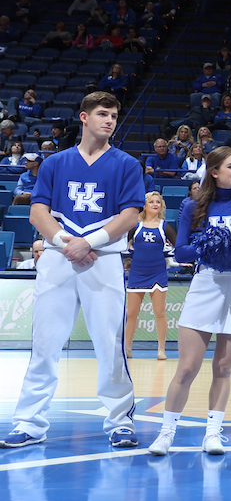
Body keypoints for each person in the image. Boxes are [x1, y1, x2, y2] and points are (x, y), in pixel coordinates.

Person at [1, 92, 145, 451]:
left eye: (113, 114)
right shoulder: (55, 163)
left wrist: (90, 241)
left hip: (104, 260)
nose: (109, 120)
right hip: (58, 258)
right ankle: (29, 423)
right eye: (101, 113)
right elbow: (37, 213)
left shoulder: (126, 163)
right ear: (83, 117)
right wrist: (69, 244)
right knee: (44, 345)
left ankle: (119, 422)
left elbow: (131, 214)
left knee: (110, 345)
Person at [147, 146, 231, 456]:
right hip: (205, 284)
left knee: (224, 367)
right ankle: (166, 433)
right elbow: (180, 253)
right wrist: (207, 244)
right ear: (214, 171)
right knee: (188, 368)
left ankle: (213, 433)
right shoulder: (193, 207)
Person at [124, 191, 180, 361]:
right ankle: (127, 348)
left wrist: (174, 259)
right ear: (145, 205)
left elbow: (178, 246)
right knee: (131, 313)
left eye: (158, 202)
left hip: (157, 272)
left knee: (160, 312)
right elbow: (124, 243)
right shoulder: (136, 225)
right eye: (151, 202)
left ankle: (161, 349)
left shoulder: (165, 226)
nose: (155, 204)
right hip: (137, 272)